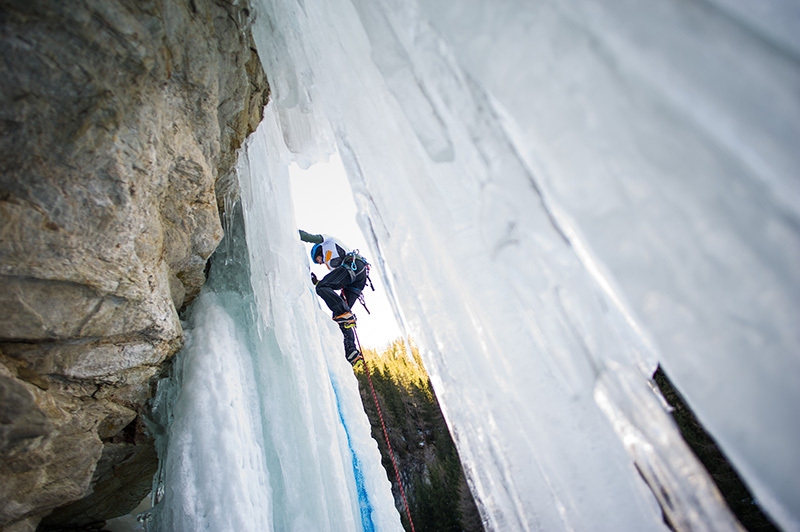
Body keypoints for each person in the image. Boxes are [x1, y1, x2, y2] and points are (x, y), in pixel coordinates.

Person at [299, 229, 369, 365]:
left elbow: (311, 237)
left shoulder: (328, 241)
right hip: (358, 278)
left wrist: (293, 231)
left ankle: (345, 313)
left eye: (318, 260)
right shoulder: (332, 265)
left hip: (354, 266)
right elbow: (334, 283)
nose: (320, 263)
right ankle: (351, 352)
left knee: (326, 293)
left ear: (318, 252)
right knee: (340, 317)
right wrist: (317, 282)